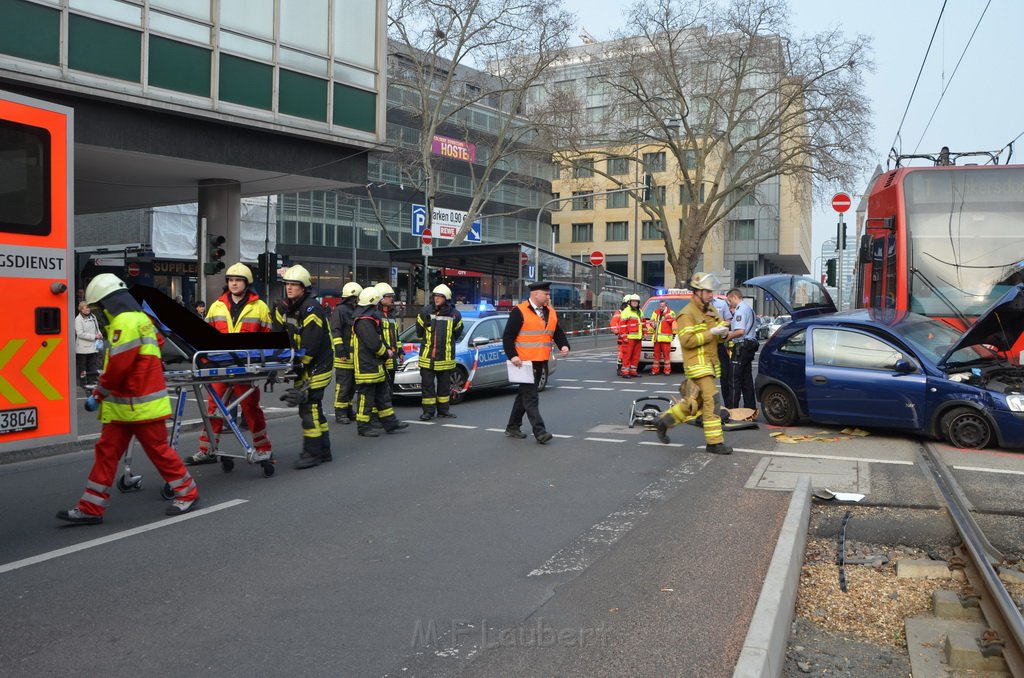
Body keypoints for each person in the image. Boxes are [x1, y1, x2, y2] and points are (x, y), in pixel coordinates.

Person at [57, 274, 199, 524]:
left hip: (139, 405)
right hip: (129, 405)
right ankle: (91, 507)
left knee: (155, 452)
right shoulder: (138, 319)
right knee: (112, 454)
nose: (98, 314)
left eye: (98, 308)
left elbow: (119, 367)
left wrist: (98, 394)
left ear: (106, 304)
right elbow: (155, 344)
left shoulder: (126, 322)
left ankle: (187, 492)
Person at [186, 263, 273, 466]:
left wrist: (266, 365)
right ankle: (206, 451)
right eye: (231, 280)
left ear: (246, 283)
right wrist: (204, 362)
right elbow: (204, 337)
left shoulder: (260, 307)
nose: (233, 283)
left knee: (251, 408)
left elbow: (267, 339)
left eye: (238, 280)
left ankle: (263, 449)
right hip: (220, 366)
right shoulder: (217, 305)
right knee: (214, 409)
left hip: (246, 367)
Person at [654, 272, 733, 454]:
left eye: (711, 292)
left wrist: (723, 334)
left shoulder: (712, 310)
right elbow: (687, 341)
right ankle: (714, 442)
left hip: (710, 363)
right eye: (707, 292)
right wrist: (712, 333)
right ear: (697, 292)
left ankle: (664, 422)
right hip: (697, 364)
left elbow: (718, 337)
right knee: (712, 399)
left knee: (694, 403)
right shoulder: (686, 314)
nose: (711, 295)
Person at [274, 265, 334, 469]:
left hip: (318, 364)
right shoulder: (285, 307)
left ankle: (312, 453)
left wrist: (296, 367)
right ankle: (324, 451)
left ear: (304, 288)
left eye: (294, 285)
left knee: (309, 407)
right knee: (313, 408)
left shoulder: (311, 308)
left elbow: (311, 345)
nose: (289, 288)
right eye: (287, 284)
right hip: (303, 364)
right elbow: (279, 334)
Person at [502, 281, 570, 444]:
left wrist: (564, 345)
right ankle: (540, 431)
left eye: (548, 293)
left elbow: (557, 331)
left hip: (541, 360)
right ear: (535, 294)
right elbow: (508, 336)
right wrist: (513, 356)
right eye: (546, 294)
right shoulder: (519, 311)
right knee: (531, 396)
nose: (548, 296)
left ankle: (512, 426)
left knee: (523, 396)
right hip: (524, 362)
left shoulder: (550, 312)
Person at [351, 286, 409, 437]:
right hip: (366, 367)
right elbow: (373, 344)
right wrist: (386, 353)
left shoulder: (369, 319)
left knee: (383, 395)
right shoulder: (364, 321)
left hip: (375, 365)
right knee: (365, 398)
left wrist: (390, 349)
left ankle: (390, 423)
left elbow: (381, 339)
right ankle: (363, 426)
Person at [416, 284, 463, 420]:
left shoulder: (455, 315)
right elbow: (419, 333)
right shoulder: (425, 312)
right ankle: (428, 412)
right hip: (428, 357)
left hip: (445, 358)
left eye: (440, 296)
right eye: (435, 296)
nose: (436, 299)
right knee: (427, 387)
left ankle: (443, 411)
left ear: (446, 298)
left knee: (444, 387)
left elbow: (457, 333)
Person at [330, 281, 363, 424]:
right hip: (343, 356)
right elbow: (336, 331)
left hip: (354, 355)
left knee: (352, 386)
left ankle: (348, 410)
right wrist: (340, 350)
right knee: (343, 385)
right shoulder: (340, 310)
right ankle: (340, 412)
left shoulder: (353, 310)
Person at [726, 288, 758, 412]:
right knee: (746, 380)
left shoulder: (740, 310)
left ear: (734, 297)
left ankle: (732, 410)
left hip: (741, 347)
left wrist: (727, 336)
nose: (729, 304)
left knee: (734, 379)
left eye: (729, 301)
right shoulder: (749, 308)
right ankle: (750, 408)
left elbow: (740, 331)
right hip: (748, 347)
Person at [709, 292, 734, 407]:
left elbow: (729, 320)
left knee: (725, 376)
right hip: (705, 346)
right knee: (706, 378)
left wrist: (723, 327)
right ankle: (707, 406)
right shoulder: (698, 307)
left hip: (720, 345)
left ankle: (728, 405)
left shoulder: (721, 303)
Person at [74, 301, 103, 389]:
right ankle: (83, 382)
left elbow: (97, 328)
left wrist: (99, 334)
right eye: (85, 308)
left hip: (93, 346)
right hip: (82, 347)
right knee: (83, 366)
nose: (87, 309)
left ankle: (92, 380)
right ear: (81, 309)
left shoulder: (93, 316)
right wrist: (94, 336)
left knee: (92, 364)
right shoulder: (78, 319)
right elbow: (80, 334)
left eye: (88, 307)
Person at [617, 294, 643, 378]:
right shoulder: (626, 311)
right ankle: (625, 372)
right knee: (627, 356)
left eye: (636, 301)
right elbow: (622, 325)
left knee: (636, 356)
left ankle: (633, 371)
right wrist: (624, 337)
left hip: (638, 338)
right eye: (633, 301)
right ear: (630, 302)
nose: (634, 303)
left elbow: (643, 323)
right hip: (629, 338)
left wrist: (645, 333)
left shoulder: (640, 311)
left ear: (638, 302)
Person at [649, 299, 676, 375]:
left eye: (663, 306)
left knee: (666, 356)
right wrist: (652, 324)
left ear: (666, 306)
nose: (661, 308)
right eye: (660, 306)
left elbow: (672, 320)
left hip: (665, 338)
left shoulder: (671, 312)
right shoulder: (655, 312)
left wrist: (665, 314)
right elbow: (651, 320)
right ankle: (655, 370)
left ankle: (667, 371)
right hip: (657, 338)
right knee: (656, 356)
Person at [609, 294, 629, 376]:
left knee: (628, 354)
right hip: (622, 337)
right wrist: (617, 331)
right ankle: (620, 369)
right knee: (621, 354)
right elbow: (613, 323)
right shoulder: (619, 312)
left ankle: (626, 369)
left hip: (631, 336)